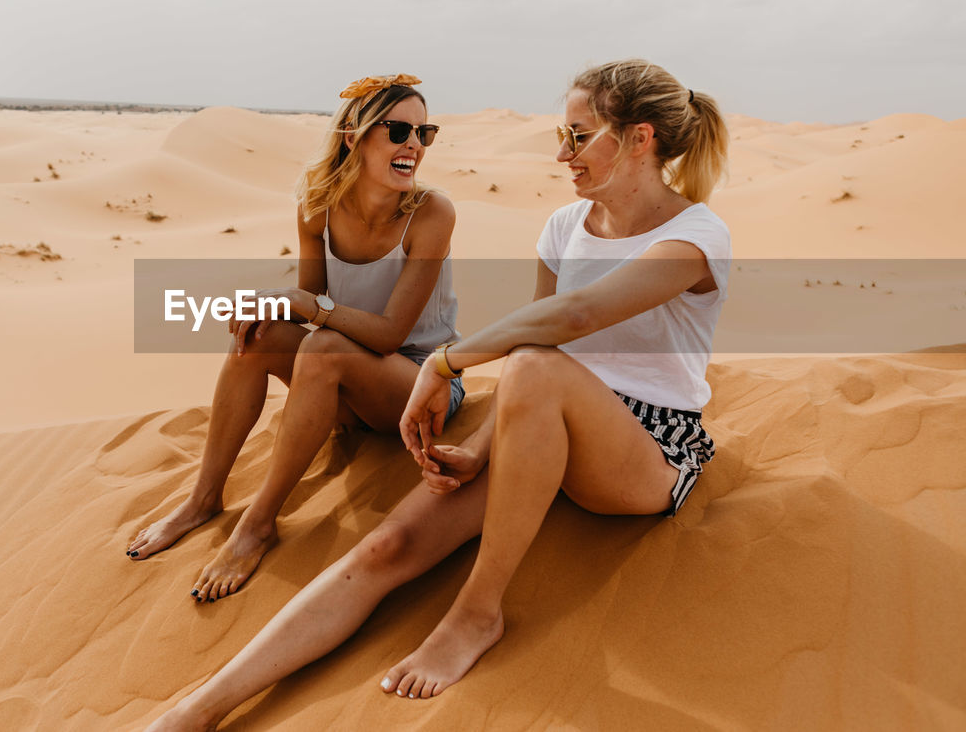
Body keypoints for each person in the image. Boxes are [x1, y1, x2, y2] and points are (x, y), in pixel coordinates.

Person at [144, 59, 731, 730]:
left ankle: (478, 612)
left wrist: (448, 361)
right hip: (542, 416)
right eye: (561, 134)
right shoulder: (565, 228)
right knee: (388, 545)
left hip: (647, 449)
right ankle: (193, 712)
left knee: (535, 364)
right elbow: (538, 361)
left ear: (639, 139)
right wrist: (481, 449)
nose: (561, 153)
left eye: (578, 136)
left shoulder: (696, 236)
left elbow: (569, 324)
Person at [126, 73, 463, 603]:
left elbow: (389, 333)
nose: (414, 146)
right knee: (257, 334)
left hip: (420, 386)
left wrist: (310, 307)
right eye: (399, 131)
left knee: (323, 346)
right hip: (346, 383)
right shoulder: (317, 205)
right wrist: (273, 303)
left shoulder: (431, 213)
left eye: (426, 133)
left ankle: (258, 523)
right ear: (354, 137)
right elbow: (309, 300)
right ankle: (203, 498)